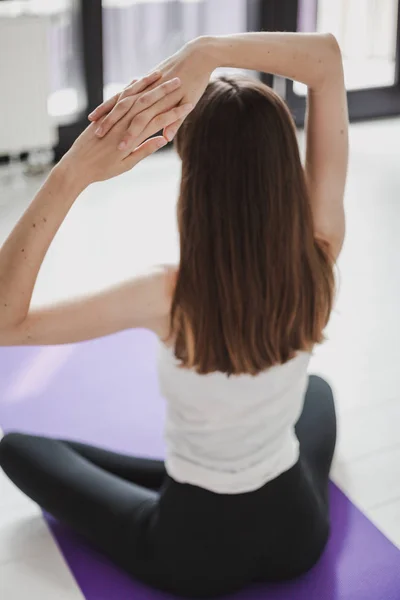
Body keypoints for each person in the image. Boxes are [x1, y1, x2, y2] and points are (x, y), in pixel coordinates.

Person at [0, 32, 348, 598]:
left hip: (193, 550)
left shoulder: (166, 295)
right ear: (286, 162)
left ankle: (177, 479)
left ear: (195, 179)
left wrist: (73, 171)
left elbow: (4, 320)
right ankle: (182, 475)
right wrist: (206, 52)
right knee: (319, 392)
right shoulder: (321, 245)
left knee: (16, 448)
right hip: (297, 535)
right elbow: (326, 63)